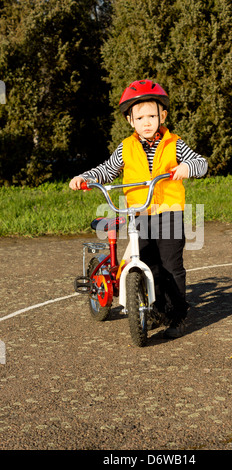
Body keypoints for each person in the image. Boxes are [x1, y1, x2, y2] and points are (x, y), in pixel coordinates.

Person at [69, 79, 208, 338]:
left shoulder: (174, 143)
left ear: (162, 115)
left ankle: (177, 316)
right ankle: (153, 311)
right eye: (140, 116)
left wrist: (188, 167)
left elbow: (201, 163)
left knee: (171, 266)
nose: (147, 121)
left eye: (152, 115)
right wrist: (85, 178)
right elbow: (106, 170)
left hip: (169, 214)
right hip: (139, 215)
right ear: (130, 120)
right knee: (148, 263)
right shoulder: (126, 148)